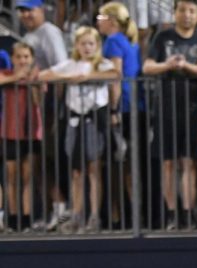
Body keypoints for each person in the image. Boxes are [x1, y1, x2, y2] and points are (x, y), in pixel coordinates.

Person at [143, 0, 197, 230]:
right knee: (168, 163)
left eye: (191, 11)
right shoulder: (162, 37)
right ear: (175, 13)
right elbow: (147, 67)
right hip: (166, 105)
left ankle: (187, 213)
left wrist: (185, 66)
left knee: (189, 163)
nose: (187, 15)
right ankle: (171, 214)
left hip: (193, 105)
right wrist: (167, 65)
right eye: (182, 10)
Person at [40, 26, 118, 233]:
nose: (86, 47)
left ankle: (94, 216)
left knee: (93, 169)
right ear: (76, 45)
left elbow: (115, 74)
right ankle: (76, 214)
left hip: (94, 119)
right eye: (82, 43)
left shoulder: (103, 64)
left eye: (90, 43)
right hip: (74, 120)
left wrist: (87, 77)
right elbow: (44, 75)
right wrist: (67, 78)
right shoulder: (70, 65)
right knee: (76, 171)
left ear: (97, 46)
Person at [18, 0, 71, 232]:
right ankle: (52, 210)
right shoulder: (30, 35)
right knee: (36, 159)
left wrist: (57, 109)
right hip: (33, 105)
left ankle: (61, 207)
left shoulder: (49, 32)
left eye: (30, 9)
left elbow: (61, 68)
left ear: (42, 10)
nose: (26, 15)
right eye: (22, 10)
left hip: (49, 105)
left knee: (47, 158)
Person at [96, 2, 139, 229]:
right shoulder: (129, 41)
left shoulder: (113, 41)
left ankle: (118, 218)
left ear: (111, 21)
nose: (97, 21)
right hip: (133, 106)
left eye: (100, 17)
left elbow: (115, 76)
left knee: (117, 165)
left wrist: (113, 110)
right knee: (126, 165)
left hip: (121, 108)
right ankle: (131, 217)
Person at [0, 42, 43, 232]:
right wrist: (17, 77)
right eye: (19, 57)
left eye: (26, 56)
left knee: (27, 177)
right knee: (11, 177)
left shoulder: (38, 76)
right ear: (12, 59)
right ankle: (12, 217)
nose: (23, 60)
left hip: (33, 132)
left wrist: (33, 83)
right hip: (10, 131)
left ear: (32, 58)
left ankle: (26, 218)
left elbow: (38, 101)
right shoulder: (7, 74)